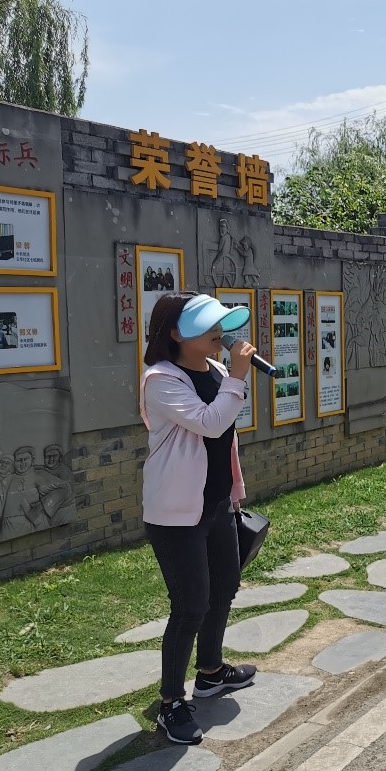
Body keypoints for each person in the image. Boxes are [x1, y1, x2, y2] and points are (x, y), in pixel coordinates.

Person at [141, 292, 259, 745]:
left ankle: (210, 671)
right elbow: (210, 423)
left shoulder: (216, 370)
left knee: (225, 588)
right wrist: (239, 377)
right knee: (190, 605)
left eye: (220, 324)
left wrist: (233, 494)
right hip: (176, 513)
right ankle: (171, 702)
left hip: (215, 503)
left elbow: (225, 435)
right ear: (176, 333)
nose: (219, 333)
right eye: (208, 326)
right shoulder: (160, 380)